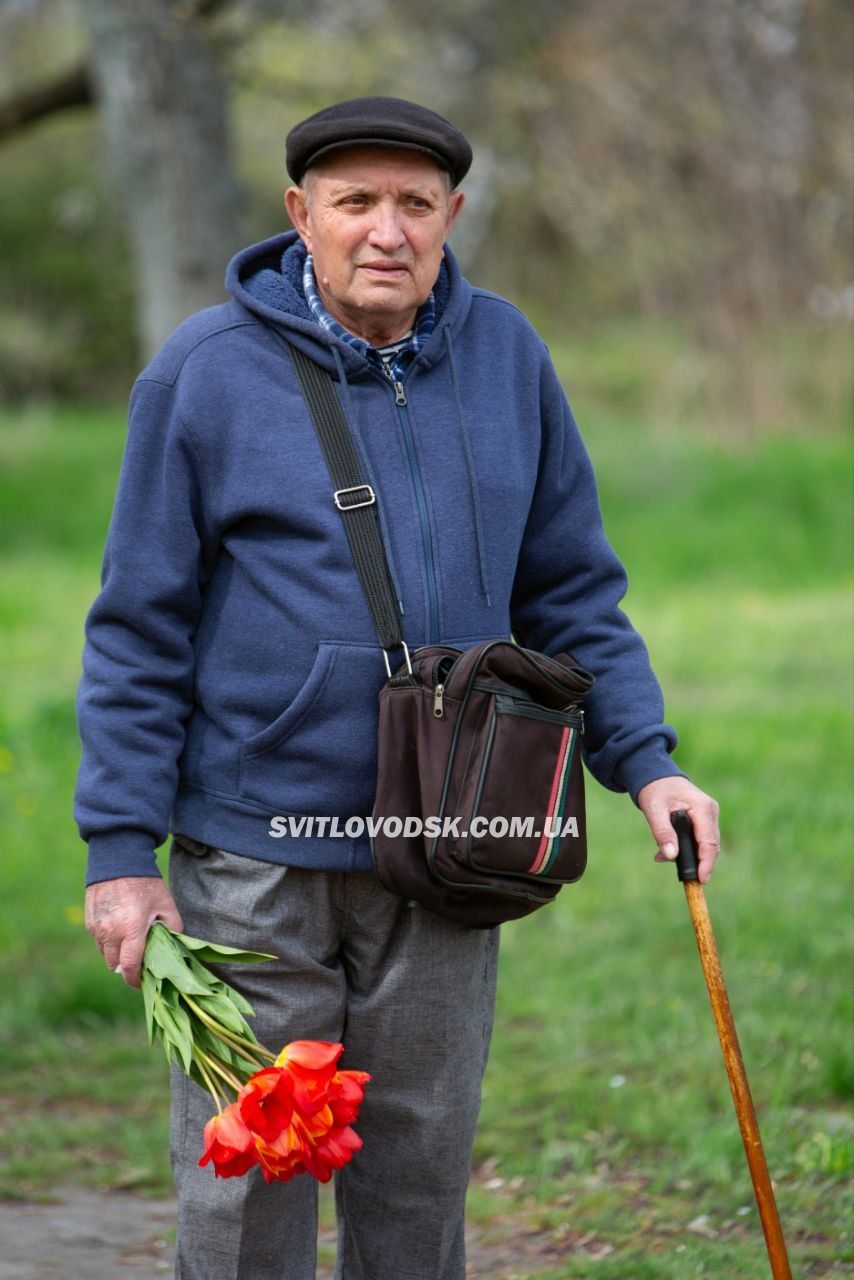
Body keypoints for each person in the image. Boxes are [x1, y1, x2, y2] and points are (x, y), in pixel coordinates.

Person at [75, 96, 720, 1280]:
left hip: (450, 835)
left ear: (450, 216)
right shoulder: (204, 372)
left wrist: (649, 759)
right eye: (355, 202)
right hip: (253, 851)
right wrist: (120, 849)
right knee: (252, 1173)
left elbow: (572, 589)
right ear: (300, 216)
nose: (387, 230)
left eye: (414, 204)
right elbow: (137, 624)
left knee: (418, 1170)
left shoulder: (508, 355)